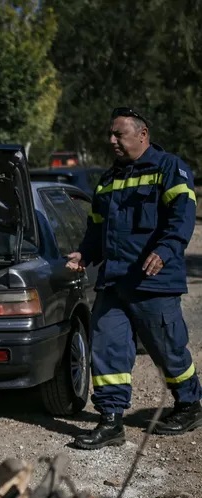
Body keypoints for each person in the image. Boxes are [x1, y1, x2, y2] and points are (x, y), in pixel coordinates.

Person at [67, 107, 200, 449]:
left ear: (142, 135)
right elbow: (96, 228)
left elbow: (182, 217)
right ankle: (111, 420)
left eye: (119, 134)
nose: (112, 140)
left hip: (153, 281)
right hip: (115, 281)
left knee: (166, 348)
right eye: (110, 135)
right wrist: (85, 253)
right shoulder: (109, 179)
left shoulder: (168, 168)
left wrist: (167, 249)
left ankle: (189, 404)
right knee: (107, 346)